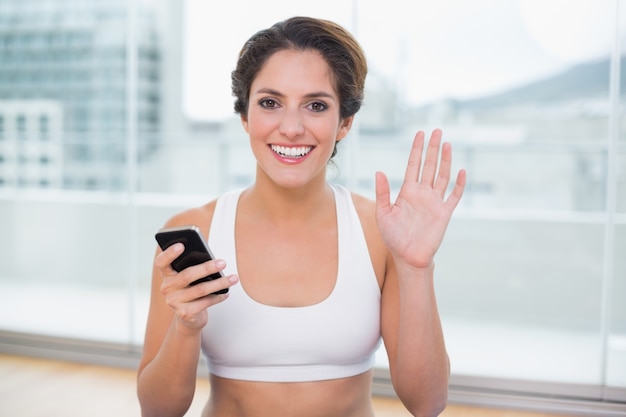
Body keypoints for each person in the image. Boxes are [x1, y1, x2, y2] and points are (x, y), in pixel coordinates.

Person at [137, 16, 466, 417]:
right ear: (245, 117)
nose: (291, 128)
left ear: (344, 122)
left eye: (316, 106)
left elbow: (427, 403)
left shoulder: (379, 231)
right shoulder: (196, 230)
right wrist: (186, 327)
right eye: (270, 103)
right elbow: (157, 410)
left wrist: (416, 267)